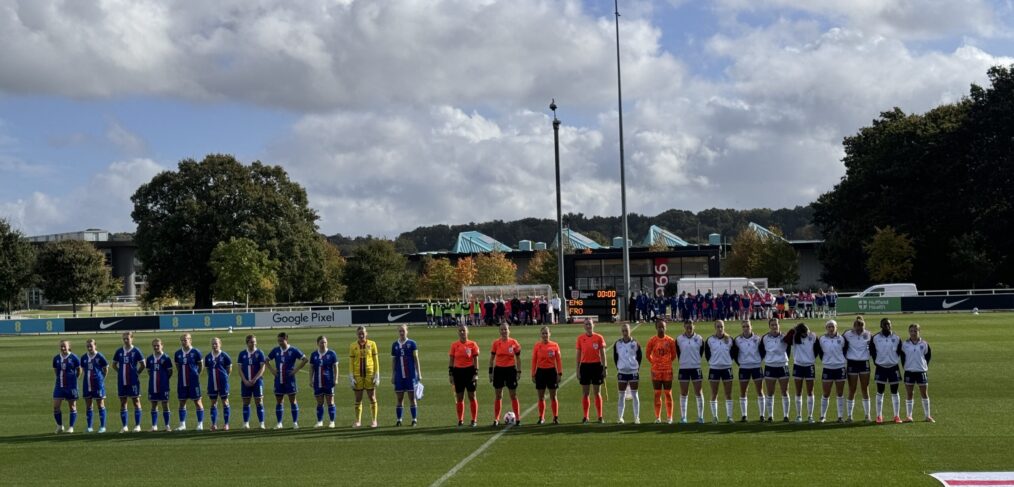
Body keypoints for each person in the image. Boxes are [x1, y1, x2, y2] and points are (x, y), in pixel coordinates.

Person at [266, 332, 308, 429]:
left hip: (290, 379)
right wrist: (272, 371)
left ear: (286, 339)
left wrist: (296, 370)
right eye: (278, 341)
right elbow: (266, 360)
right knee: (279, 401)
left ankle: (295, 423)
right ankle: (279, 423)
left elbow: (305, 359)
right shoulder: (275, 350)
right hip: (278, 378)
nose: (280, 343)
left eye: (281, 341)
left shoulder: (293, 350)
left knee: (292, 400)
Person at [760, 318, 795, 422]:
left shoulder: (785, 337)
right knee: (770, 392)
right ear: (769, 326)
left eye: (776, 325)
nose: (774, 327)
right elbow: (761, 351)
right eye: (772, 325)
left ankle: (786, 415)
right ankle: (770, 416)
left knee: (785, 391)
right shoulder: (765, 338)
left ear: (779, 325)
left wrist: (784, 360)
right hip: (770, 367)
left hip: (783, 366)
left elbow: (788, 349)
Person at [489, 323, 522, 426]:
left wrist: (519, 371)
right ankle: (496, 419)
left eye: (505, 329)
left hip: (511, 370)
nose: (504, 331)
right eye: (502, 330)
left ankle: (517, 418)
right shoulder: (496, 343)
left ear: (509, 330)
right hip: (499, 370)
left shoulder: (514, 343)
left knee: (513, 395)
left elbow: (518, 358)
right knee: (498, 395)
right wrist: (491, 372)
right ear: (499, 331)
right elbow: (491, 359)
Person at [871, 318, 903, 424]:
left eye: (889, 324)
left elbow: (900, 351)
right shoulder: (875, 338)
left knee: (895, 392)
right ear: (881, 325)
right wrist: (877, 361)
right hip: (881, 367)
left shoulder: (897, 338)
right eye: (885, 324)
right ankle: (879, 416)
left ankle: (897, 416)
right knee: (880, 391)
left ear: (891, 325)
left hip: (893, 367)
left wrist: (893, 360)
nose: (887, 326)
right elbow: (872, 351)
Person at [112, 331, 145, 433]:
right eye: (124, 339)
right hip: (122, 381)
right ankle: (125, 426)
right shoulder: (119, 351)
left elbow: (143, 364)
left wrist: (137, 373)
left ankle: (137, 425)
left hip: (133, 381)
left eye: (128, 338)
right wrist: (120, 372)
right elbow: (114, 365)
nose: (126, 340)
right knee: (123, 402)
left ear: (132, 338)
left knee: (136, 401)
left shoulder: (136, 351)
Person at [576, 318, 608, 423]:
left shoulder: (599, 337)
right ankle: (586, 416)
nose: (588, 326)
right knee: (585, 393)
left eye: (590, 324)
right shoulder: (580, 338)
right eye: (586, 324)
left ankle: (600, 416)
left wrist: (605, 367)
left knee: (597, 392)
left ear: (593, 325)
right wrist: (577, 369)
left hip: (596, 366)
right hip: (585, 367)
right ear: (584, 326)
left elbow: (603, 354)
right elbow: (578, 355)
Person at [348, 326, 380, 428]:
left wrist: (377, 374)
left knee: (372, 397)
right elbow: (351, 362)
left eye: (363, 333)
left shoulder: (372, 344)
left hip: (370, 374)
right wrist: (351, 376)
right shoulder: (353, 346)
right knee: (358, 399)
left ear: (366, 333)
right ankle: (358, 421)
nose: (361, 335)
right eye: (359, 333)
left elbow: (376, 360)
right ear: (356, 334)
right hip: (357, 375)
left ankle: (374, 421)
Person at [646, 318, 677, 424]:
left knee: (668, 394)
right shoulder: (652, 341)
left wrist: (666, 362)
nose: (661, 329)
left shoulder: (670, 341)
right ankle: (657, 417)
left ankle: (669, 417)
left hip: (667, 371)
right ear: (656, 327)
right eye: (659, 327)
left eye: (663, 327)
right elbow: (647, 354)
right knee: (657, 394)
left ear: (665, 328)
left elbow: (673, 355)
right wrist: (655, 363)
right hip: (656, 372)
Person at [815, 320, 847, 422]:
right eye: (829, 327)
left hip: (840, 368)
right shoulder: (822, 339)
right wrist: (826, 361)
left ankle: (840, 416)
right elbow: (819, 352)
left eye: (832, 326)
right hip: (828, 368)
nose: (831, 329)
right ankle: (822, 416)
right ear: (826, 328)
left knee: (840, 393)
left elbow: (845, 351)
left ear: (836, 327)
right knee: (826, 393)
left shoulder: (842, 339)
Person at [901, 323, 933, 423]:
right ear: (909, 332)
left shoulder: (924, 344)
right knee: (909, 393)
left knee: (924, 393)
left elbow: (927, 356)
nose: (913, 333)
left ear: (919, 331)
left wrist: (923, 366)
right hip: (909, 372)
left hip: (921, 372)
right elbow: (902, 357)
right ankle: (909, 416)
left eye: (915, 331)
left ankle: (927, 416)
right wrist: (907, 366)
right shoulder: (905, 344)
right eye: (911, 331)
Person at [733, 320, 764, 421]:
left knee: (760, 391)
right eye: (744, 327)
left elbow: (763, 352)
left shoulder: (758, 339)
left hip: (756, 367)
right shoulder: (737, 340)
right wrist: (741, 363)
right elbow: (734, 354)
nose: (746, 328)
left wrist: (758, 361)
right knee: (743, 392)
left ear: (751, 326)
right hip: (744, 368)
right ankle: (744, 415)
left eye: (747, 326)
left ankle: (762, 415)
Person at [449, 325, 480, 426]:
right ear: (458, 333)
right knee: (459, 397)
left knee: (472, 396)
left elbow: (476, 360)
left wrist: (476, 373)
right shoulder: (454, 345)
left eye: (464, 331)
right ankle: (460, 420)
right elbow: (451, 360)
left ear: (467, 332)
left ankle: (474, 419)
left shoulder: (472, 344)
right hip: (458, 372)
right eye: (460, 331)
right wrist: (451, 374)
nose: (462, 332)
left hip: (470, 372)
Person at [705, 320, 735, 423]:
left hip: (727, 368)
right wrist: (712, 362)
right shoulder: (710, 340)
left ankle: (729, 417)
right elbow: (707, 354)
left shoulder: (730, 339)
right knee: (714, 393)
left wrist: (729, 361)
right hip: (714, 369)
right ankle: (715, 417)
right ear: (715, 328)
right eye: (718, 327)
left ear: (724, 327)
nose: (720, 328)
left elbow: (734, 353)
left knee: (728, 394)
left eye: (721, 326)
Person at [675, 320, 705, 423]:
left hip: (696, 368)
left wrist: (695, 361)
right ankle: (683, 417)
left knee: (698, 392)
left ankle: (700, 417)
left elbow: (701, 352)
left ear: (694, 327)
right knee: (684, 393)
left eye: (690, 327)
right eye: (687, 327)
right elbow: (678, 353)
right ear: (684, 327)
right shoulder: (679, 339)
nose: (689, 329)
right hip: (684, 368)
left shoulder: (699, 338)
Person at [531, 326, 563, 424]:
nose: (545, 335)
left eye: (546, 333)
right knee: (541, 397)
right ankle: (541, 417)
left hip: (551, 372)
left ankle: (555, 417)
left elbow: (558, 360)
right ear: (540, 335)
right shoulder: (537, 346)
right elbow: (534, 360)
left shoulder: (555, 345)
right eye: (543, 333)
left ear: (550, 334)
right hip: (540, 372)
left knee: (553, 396)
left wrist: (559, 373)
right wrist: (533, 374)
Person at [843, 316, 873, 422]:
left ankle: (867, 415)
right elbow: (841, 345)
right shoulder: (847, 334)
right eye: (858, 327)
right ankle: (850, 416)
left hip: (864, 363)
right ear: (854, 326)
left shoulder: (868, 334)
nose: (860, 330)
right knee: (852, 389)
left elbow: (873, 347)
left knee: (865, 389)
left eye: (862, 327)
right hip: (852, 363)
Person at [392, 324, 422, 426]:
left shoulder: (412, 343)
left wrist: (419, 373)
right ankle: (399, 419)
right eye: (400, 331)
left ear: (407, 331)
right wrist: (393, 375)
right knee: (399, 399)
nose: (401, 333)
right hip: (399, 376)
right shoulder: (395, 345)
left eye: (403, 331)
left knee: (412, 398)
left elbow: (416, 359)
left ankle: (414, 419)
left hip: (411, 376)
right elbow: (394, 360)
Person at [173, 333, 204, 431]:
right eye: (182, 340)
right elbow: (178, 366)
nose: (183, 342)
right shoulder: (177, 353)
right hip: (182, 381)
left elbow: (200, 366)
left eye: (185, 340)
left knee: (197, 402)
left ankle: (200, 424)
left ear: (190, 340)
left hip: (193, 382)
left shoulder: (196, 352)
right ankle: (182, 425)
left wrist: (195, 375)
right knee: (182, 402)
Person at [613, 323, 642, 424]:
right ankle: (620, 417)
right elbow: (615, 358)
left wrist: (636, 368)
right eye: (623, 331)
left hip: (633, 371)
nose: (625, 333)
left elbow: (639, 357)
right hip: (622, 372)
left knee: (635, 394)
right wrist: (620, 367)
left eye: (627, 330)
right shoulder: (617, 344)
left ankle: (636, 417)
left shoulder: (635, 343)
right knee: (621, 395)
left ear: (630, 331)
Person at [238, 334, 267, 429]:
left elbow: (263, 368)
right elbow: (240, 369)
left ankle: (262, 423)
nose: (253, 343)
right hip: (245, 382)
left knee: (259, 402)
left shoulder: (260, 353)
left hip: (257, 382)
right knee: (246, 402)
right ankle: (246, 423)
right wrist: (245, 380)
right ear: (247, 343)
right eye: (251, 342)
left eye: (255, 342)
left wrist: (255, 379)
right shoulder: (242, 354)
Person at [790, 323, 817, 423]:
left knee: (810, 392)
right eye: (804, 332)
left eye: (807, 331)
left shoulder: (813, 336)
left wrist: (812, 358)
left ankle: (810, 416)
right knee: (798, 391)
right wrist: (795, 329)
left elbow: (818, 348)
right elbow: (785, 339)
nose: (807, 333)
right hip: (798, 366)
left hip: (809, 366)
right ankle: (799, 415)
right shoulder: (794, 338)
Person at [310, 336, 339, 428]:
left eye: (325, 342)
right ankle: (320, 421)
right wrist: (310, 379)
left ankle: (332, 421)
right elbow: (311, 368)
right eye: (322, 342)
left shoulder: (332, 353)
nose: (323, 344)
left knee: (330, 402)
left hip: (328, 381)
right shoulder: (314, 354)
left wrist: (336, 379)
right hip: (317, 382)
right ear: (317, 343)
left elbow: (336, 367)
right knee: (319, 402)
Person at [81, 339, 109, 433]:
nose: (89, 348)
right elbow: (83, 370)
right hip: (87, 384)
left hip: (98, 385)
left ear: (95, 346)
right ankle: (89, 427)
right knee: (88, 406)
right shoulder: (84, 357)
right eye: (88, 346)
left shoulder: (100, 356)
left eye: (91, 346)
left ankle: (102, 426)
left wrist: (101, 379)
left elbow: (106, 369)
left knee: (100, 405)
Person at [52, 340, 81, 434]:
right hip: (59, 386)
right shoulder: (56, 358)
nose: (63, 348)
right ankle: (60, 426)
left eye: (64, 346)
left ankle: (71, 427)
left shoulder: (74, 358)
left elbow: (79, 370)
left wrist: (73, 379)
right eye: (61, 346)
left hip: (71, 386)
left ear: (69, 347)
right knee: (56, 407)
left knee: (72, 407)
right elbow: (56, 371)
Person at [146, 338, 174, 432]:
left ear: (162, 345)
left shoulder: (166, 358)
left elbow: (170, 372)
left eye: (158, 345)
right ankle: (154, 426)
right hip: (152, 385)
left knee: (165, 404)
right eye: (154, 346)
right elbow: (149, 371)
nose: (156, 347)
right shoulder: (149, 358)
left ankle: (167, 425)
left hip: (163, 385)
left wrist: (164, 379)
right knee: (154, 404)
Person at [204, 337, 232, 431]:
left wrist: (224, 377)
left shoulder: (225, 355)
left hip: (223, 382)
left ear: (220, 344)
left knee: (225, 402)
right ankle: (214, 424)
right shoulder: (208, 357)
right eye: (213, 344)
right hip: (212, 382)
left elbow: (229, 369)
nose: (214, 345)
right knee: (213, 403)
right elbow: (208, 369)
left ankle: (226, 424)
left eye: (216, 343)